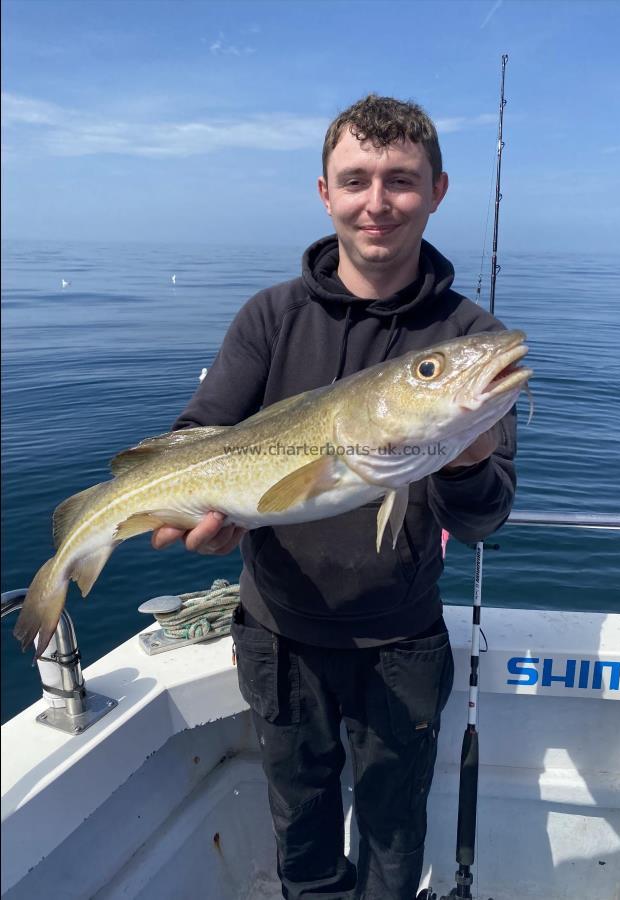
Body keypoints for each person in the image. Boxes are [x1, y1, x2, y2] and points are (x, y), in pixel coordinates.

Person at [153, 95, 518, 900]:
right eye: (355, 180)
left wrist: (466, 457)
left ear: (438, 190)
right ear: (325, 193)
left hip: (403, 642)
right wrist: (199, 515)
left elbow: (486, 517)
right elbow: (199, 433)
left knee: (394, 843)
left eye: (400, 181)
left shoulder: (469, 345)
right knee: (304, 840)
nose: (376, 202)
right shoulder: (270, 318)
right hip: (278, 637)